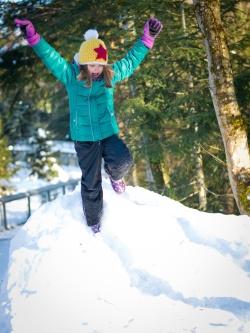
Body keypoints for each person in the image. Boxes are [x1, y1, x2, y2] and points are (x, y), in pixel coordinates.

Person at [14, 16, 163, 233]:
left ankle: (115, 177)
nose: (96, 69)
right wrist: (33, 37)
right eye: (92, 64)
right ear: (83, 62)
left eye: (100, 65)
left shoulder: (110, 74)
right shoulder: (70, 76)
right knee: (91, 181)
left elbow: (130, 61)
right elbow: (51, 57)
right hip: (84, 139)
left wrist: (146, 39)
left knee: (123, 159)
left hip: (107, 133)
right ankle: (94, 222)